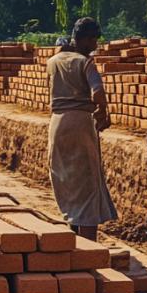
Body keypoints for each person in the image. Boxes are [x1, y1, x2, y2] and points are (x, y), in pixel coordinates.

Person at [47, 17, 117, 240]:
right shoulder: (84, 62)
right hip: (80, 123)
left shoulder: (53, 61)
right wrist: (104, 113)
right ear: (84, 39)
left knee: (66, 179)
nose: (95, 46)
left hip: (57, 123)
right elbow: (97, 92)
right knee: (87, 184)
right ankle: (89, 247)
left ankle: (74, 239)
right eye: (93, 40)